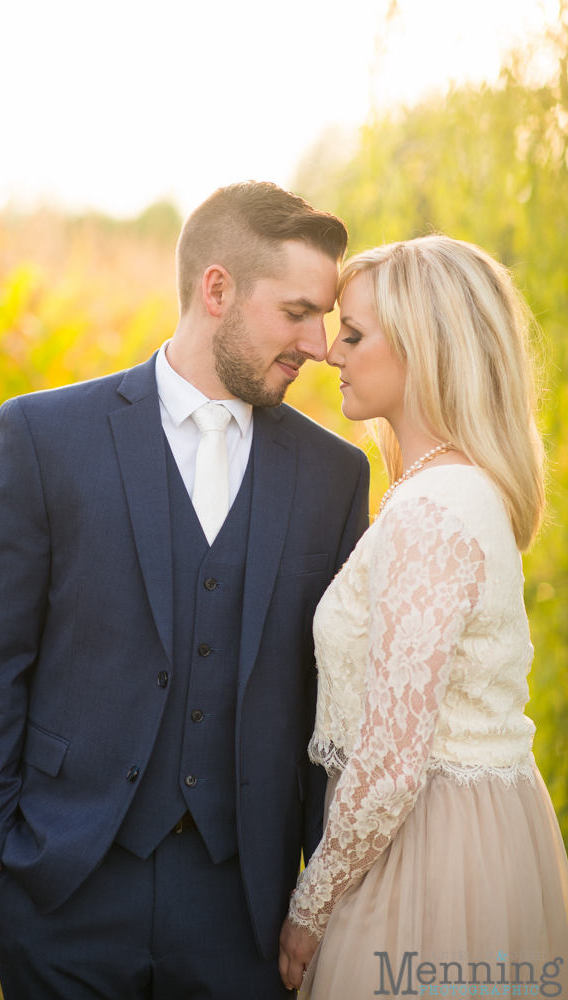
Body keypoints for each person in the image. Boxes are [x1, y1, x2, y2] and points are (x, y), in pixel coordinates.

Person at [0, 180, 370, 999]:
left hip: (245, 909)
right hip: (61, 889)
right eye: (296, 311)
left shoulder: (334, 476)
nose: (318, 344)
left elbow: (334, 701)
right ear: (217, 289)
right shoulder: (44, 437)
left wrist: (321, 896)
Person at [278, 234, 568, 998]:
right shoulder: (453, 490)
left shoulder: (433, 509)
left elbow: (391, 758)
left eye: (353, 333)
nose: (330, 354)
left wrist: (310, 907)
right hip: (473, 832)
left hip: (429, 854)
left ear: (423, 347)